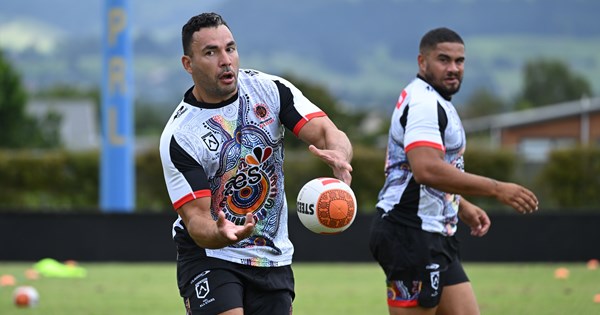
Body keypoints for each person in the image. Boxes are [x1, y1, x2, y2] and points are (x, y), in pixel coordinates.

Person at [159, 12, 353, 315]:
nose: (225, 60)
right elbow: (196, 221)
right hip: (210, 253)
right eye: (211, 52)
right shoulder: (181, 136)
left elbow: (329, 132)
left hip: (270, 254)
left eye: (230, 48)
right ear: (188, 64)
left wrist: (340, 154)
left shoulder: (271, 90)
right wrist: (221, 233)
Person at [368, 27, 539, 315]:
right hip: (409, 232)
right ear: (422, 62)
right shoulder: (424, 104)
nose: (453, 68)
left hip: (434, 233)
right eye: (443, 60)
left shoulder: (435, 100)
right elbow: (426, 169)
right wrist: (497, 189)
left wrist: (461, 205)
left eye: (459, 61)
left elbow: (429, 169)